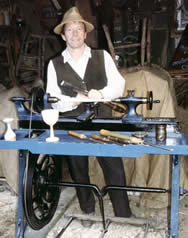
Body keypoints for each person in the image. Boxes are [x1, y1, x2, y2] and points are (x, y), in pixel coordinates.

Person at [46, 6, 132, 221]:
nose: (74, 34)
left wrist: (100, 93)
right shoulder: (54, 64)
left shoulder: (101, 56)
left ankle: (123, 213)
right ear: (63, 35)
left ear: (85, 33)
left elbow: (119, 85)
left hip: (103, 117)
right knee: (78, 167)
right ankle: (87, 210)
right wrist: (74, 101)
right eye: (70, 30)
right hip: (72, 122)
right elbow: (52, 98)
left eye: (79, 29)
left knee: (114, 166)